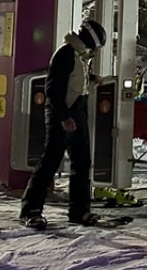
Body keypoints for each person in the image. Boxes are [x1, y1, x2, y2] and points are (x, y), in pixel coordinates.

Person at [19, 19, 107, 229]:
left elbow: (74, 79)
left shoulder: (79, 55)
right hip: (62, 114)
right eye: (97, 45)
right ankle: (30, 210)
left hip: (78, 113)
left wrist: (92, 78)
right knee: (49, 163)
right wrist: (64, 117)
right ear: (90, 40)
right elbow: (53, 89)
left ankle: (80, 211)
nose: (95, 50)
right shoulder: (66, 54)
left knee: (82, 163)